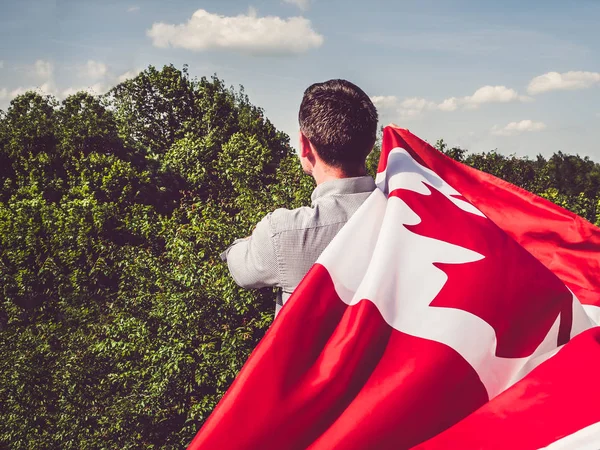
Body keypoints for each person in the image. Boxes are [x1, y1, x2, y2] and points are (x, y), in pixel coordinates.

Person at [220, 79, 378, 316]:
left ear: (304, 144)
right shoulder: (409, 218)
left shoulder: (283, 232)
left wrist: (248, 240)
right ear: (371, 145)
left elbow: (239, 269)